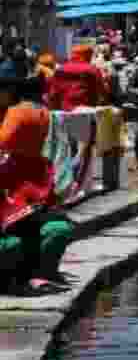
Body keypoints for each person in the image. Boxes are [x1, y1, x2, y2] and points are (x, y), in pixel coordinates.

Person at [0, 77, 74, 293]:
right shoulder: (33, 113)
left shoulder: (21, 114)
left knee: (56, 229)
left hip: (22, 193)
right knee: (12, 243)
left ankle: (37, 274)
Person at [47, 45, 107, 113]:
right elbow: (102, 91)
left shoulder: (60, 70)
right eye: (90, 55)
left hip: (64, 111)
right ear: (87, 55)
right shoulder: (92, 69)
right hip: (86, 111)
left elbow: (53, 93)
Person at [93, 86, 129, 190]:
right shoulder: (113, 111)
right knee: (113, 165)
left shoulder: (108, 111)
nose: (99, 100)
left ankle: (109, 184)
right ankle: (113, 184)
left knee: (109, 165)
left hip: (110, 142)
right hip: (114, 141)